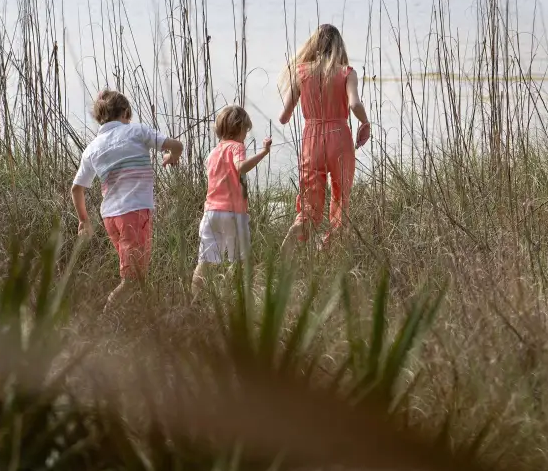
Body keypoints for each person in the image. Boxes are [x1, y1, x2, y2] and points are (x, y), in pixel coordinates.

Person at [71, 89, 182, 311]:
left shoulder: (92, 148)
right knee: (131, 280)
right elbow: (177, 146)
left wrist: (84, 220)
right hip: (135, 214)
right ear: (125, 112)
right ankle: (105, 319)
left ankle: (141, 317)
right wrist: (171, 157)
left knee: (136, 274)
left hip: (111, 218)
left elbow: (76, 189)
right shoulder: (136, 131)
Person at [278, 24, 370, 252]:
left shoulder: (301, 72)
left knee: (310, 202)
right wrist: (365, 123)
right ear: (339, 46)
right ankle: (327, 247)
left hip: (312, 139)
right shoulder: (347, 73)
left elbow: (284, 117)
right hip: (339, 137)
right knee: (341, 198)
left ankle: (299, 227)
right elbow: (355, 104)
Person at [192, 105, 272, 295]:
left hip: (210, 214)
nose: (245, 135)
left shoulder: (213, 153)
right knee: (242, 261)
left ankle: (193, 300)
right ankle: (236, 296)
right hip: (233, 214)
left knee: (204, 262)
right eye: (245, 131)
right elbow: (240, 167)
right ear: (239, 128)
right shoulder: (237, 146)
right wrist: (263, 152)